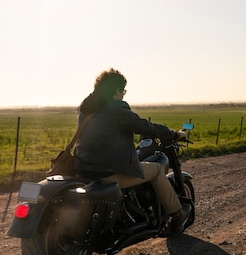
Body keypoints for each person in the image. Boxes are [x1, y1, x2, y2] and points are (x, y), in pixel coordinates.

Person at [73, 68, 191, 233]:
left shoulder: (86, 109)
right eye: (123, 91)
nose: (123, 95)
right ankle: (177, 214)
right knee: (156, 169)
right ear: (116, 91)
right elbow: (145, 126)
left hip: (83, 169)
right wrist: (173, 134)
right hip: (108, 172)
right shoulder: (116, 110)